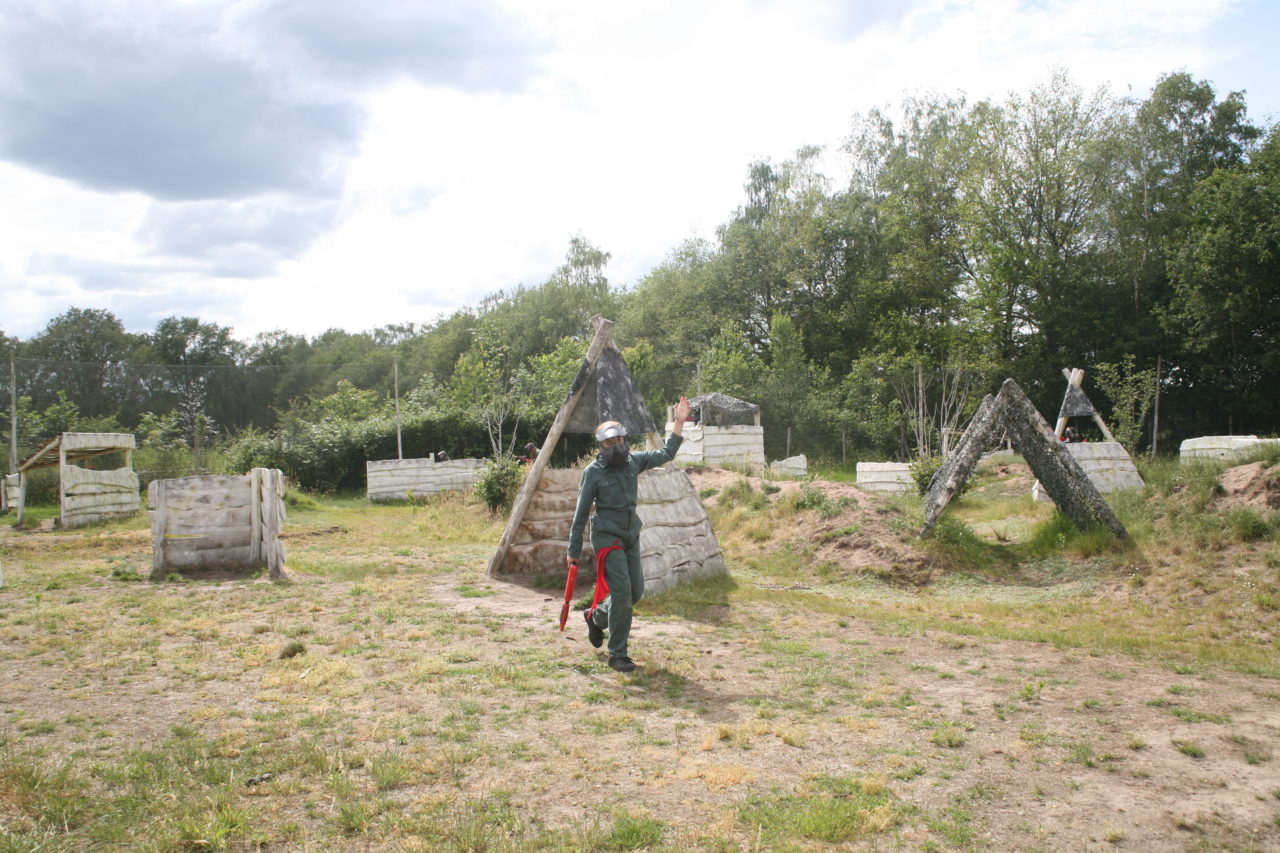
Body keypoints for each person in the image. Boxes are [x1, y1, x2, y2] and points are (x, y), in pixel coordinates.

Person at [567, 396, 692, 673]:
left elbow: (666, 454)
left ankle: (596, 617)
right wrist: (573, 550)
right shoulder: (594, 472)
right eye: (610, 443)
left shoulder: (633, 462)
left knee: (635, 592)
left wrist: (679, 422)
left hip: (630, 535)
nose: (616, 446)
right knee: (622, 593)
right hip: (606, 537)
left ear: (625, 440)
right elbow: (581, 511)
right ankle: (618, 654)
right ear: (601, 445)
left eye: (620, 440)